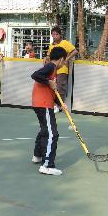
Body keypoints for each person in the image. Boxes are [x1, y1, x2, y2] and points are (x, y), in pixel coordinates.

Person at [31, 46, 67, 176]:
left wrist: (60, 104)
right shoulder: (51, 66)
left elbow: (52, 90)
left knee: (45, 130)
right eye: (65, 60)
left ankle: (37, 155)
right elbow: (35, 75)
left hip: (41, 103)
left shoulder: (53, 70)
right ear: (61, 59)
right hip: (44, 103)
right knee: (53, 134)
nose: (65, 63)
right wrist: (48, 81)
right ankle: (47, 165)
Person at [45, 26, 78, 113]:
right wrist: (46, 60)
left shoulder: (65, 43)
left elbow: (75, 51)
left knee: (60, 87)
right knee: (52, 87)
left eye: (56, 34)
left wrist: (66, 59)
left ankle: (59, 105)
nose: (55, 36)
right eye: (53, 34)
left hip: (62, 69)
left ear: (60, 35)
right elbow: (49, 56)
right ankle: (54, 105)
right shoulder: (51, 45)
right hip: (52, 69)